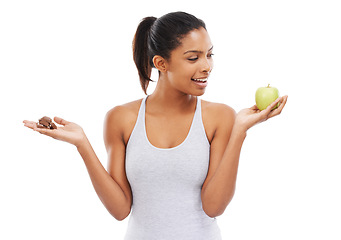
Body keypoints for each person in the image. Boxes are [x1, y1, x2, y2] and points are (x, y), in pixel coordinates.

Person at [23, 11, 288, 240]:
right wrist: (82, 143)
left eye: (209, 55)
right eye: (193, 58)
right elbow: (120, 209)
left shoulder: (220, 117)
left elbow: (214, 206)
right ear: (161, 63)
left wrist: (240, 131)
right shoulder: (121, 118)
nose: (207, 66)